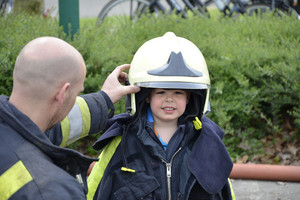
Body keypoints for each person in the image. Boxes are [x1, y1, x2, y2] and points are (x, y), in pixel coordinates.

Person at [87, 32, 235, 200]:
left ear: (189, 98)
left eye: (178, 92)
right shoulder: (123, 141)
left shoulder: (206, 141)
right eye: (161, 91)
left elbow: (224, 190)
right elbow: (94, 188)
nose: (169, 99)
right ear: (146, 96)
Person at [0, 36, 140, 199]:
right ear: (63, 93)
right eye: (76, 93)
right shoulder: (53, 190)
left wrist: (104, 99)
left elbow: (40, 126)